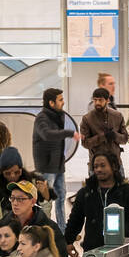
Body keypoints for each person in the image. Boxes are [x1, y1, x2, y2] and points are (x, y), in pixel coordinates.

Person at [64, 151, 129, 257]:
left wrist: (119, 235)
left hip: (121, 251)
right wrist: (68, 241)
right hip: (92, 250)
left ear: (113, 167)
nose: (98, 169)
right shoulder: (85, 193)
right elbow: (75, 219)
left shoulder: (128, 192)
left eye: (103, 166)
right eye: (95, 166)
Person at [33, 88, 78, 228]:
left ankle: (62, 230)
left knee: (61, 198)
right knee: (45, 201)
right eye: (60, 100)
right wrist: (68, 133)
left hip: (58, 165)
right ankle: (43, 230)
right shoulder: (41, 118)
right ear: (51, 103)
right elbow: (46, 134)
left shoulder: (58, 116)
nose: (63, 102)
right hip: (46, 167)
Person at [80, 87, 128, 168]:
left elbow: (125, 139)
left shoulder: (117, 116)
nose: (97, 103)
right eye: (95, 100)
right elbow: (85, 143)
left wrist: (115, 135)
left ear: (107, 100)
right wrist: (102, 137)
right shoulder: (87, 119)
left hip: (115, 163)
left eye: (100, 100)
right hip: (96, 165)